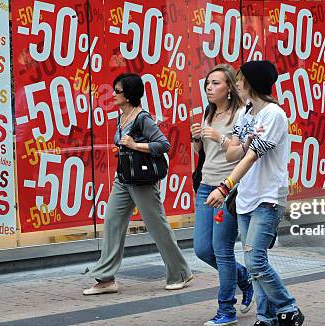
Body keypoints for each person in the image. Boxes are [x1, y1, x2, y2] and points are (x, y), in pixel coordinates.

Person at [206, 60, 304, 326]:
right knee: (254, 263)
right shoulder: (247, 114)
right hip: (247, 198)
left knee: (255, 260)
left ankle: (288, 307)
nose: (237, 84)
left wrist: (224, 187)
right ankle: (266, 316)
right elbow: (233, 152)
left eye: (240, 80)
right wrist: (246, 140)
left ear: (252, 83)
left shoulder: (273, 114)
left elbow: (250, 157)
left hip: (268, 198)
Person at [83, 73, 193, 295]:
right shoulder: (121, 117)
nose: (113, 95)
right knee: (112, 222)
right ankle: (106, 279)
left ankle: (180, 272)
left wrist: (135, 145)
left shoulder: (143, 118)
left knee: (157, 226)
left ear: (129, 94)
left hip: (142, 180)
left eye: (118, 91)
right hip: (123, 178)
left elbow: (163, 144)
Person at [190, 64, 254, 325]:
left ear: (229, 87)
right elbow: (202, 155)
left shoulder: (241, 115)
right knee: (202, 249)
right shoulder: (208, 113)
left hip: (228, 188)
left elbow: (241, 152)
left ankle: (226, 309)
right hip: (206, 186)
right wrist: (197, 139)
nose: (209, 87)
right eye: (207, 83)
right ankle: (243, 278)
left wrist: (218, 137)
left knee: (222, 248)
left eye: (216, 83)